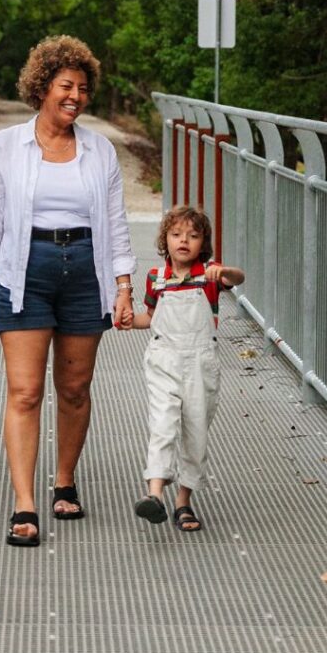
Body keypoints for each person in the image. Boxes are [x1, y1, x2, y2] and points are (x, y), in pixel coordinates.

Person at [0, 35, 136, 547]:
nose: (75, 96)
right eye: (65, 85)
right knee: (25, 391)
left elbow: (117, 225)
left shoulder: (99, 150)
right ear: (41, 87)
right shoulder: (6, 146)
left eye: (83, 88)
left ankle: (65, 480)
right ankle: (24, 503)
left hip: (86, 269)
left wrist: (123, 286)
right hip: (26, 271)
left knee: (75, 389)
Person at [124, 205, 244, 532]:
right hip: (164, 358)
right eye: (176, 235)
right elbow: (149, 318)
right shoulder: (156, 278)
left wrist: (224, 273)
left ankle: (184, 499)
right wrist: (125, 320)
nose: (184, 241)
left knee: (196, 430)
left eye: (193, 236)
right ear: (165, 239)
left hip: (200, 361)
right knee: (162, 422)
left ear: (202, 242)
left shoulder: (209, 274)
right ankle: (154, 494)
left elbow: (237, 277)